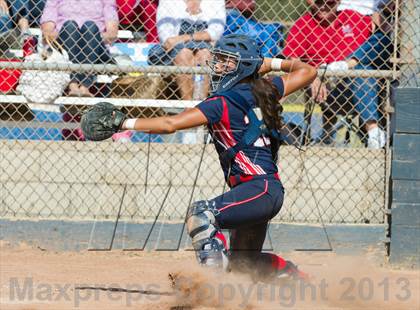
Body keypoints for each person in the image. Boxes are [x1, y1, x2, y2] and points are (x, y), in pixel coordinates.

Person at [82, 34, 317, 281]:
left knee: (201, 214)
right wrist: (265, 63)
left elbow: (169, 123)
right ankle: (301, 282)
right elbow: (308, 70)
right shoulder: (267, 89)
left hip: (259, 189)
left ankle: (212, 286)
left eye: (227, 62)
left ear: (243, 66)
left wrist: (124, 122)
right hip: (261, 192)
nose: (217, 66)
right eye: (219, 60)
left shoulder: (221, 102)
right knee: (244, 265)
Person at [283, 0, 386, 148]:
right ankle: (329, 133)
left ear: (338, 2)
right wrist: (311, 77)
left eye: (330, 2)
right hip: (322, 86)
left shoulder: (352, 17)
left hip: (354, 84)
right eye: (319, 2)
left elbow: (381, 40)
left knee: (364, 68)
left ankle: (373, 132)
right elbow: (293, 60)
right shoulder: (303, 24)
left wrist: (349, 63)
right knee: (358, 72)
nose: (324, 6)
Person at [149, 0, 226, 100]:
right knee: (184, 53)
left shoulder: (216, 1)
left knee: (204, 54)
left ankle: (200, 103)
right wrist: (199, 37)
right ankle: (188, 105)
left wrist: (186, 37)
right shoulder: (168, 2)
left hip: (203, 46)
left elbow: (216, 32)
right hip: (175, 50)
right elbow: (166, 38)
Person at [40, 0, 118, 97]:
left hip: (95, 45)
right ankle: (73, 85)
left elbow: (111, 34)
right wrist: (75, 36)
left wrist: (88, 36)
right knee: (70, 26)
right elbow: (48, 33)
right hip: (64, 43)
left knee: (90, 26)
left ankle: (85, 86)